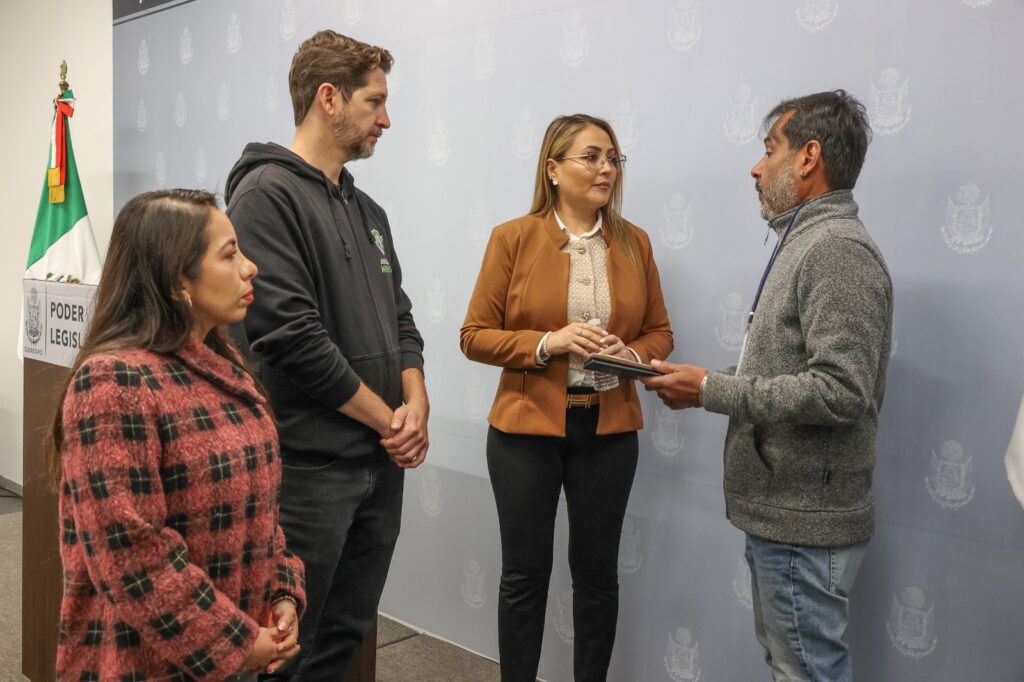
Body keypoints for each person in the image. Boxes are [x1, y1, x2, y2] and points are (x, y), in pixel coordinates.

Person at [642, 90, 892, 682]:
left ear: (808, 157)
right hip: (790, 515)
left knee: (803, 671)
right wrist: (704, 383)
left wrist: (712, 390)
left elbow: (840, 391)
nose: (756, 167)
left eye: (769, 149)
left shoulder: (835, 250)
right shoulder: (806, 241)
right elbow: (793, 372)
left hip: (803, 521)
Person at [224, 30, 428, 680]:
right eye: (376, 102)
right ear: (330, 99)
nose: (387, 119)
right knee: (287, 652)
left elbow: (402, 319)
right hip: (308, 472)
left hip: (377, 466)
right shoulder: (264, 197)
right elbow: (291, 339)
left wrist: (415, 402)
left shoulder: (368, 209)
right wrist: (389, 419)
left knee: (342, 642)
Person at [48, 189, 306, 680]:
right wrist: (235, 641)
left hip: (233, 652)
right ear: (175, 280)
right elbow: (132, 555)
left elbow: (261, 514)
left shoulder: (224, 365)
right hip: (142, 662)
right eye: (230, 254)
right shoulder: (113, 382)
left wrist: (283, 594)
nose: (250, 268)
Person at [461, 113, 673, 682]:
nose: (606, 168)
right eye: (592, 156)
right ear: (553, 169)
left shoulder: (636, 243)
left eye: (613, 158)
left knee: (597, 577)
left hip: (608, 434)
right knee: (524, 578)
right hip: (523, 434)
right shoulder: (513, 237)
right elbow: (474, 336)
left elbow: (660, 333)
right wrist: (548, 342)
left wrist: (628, 355)